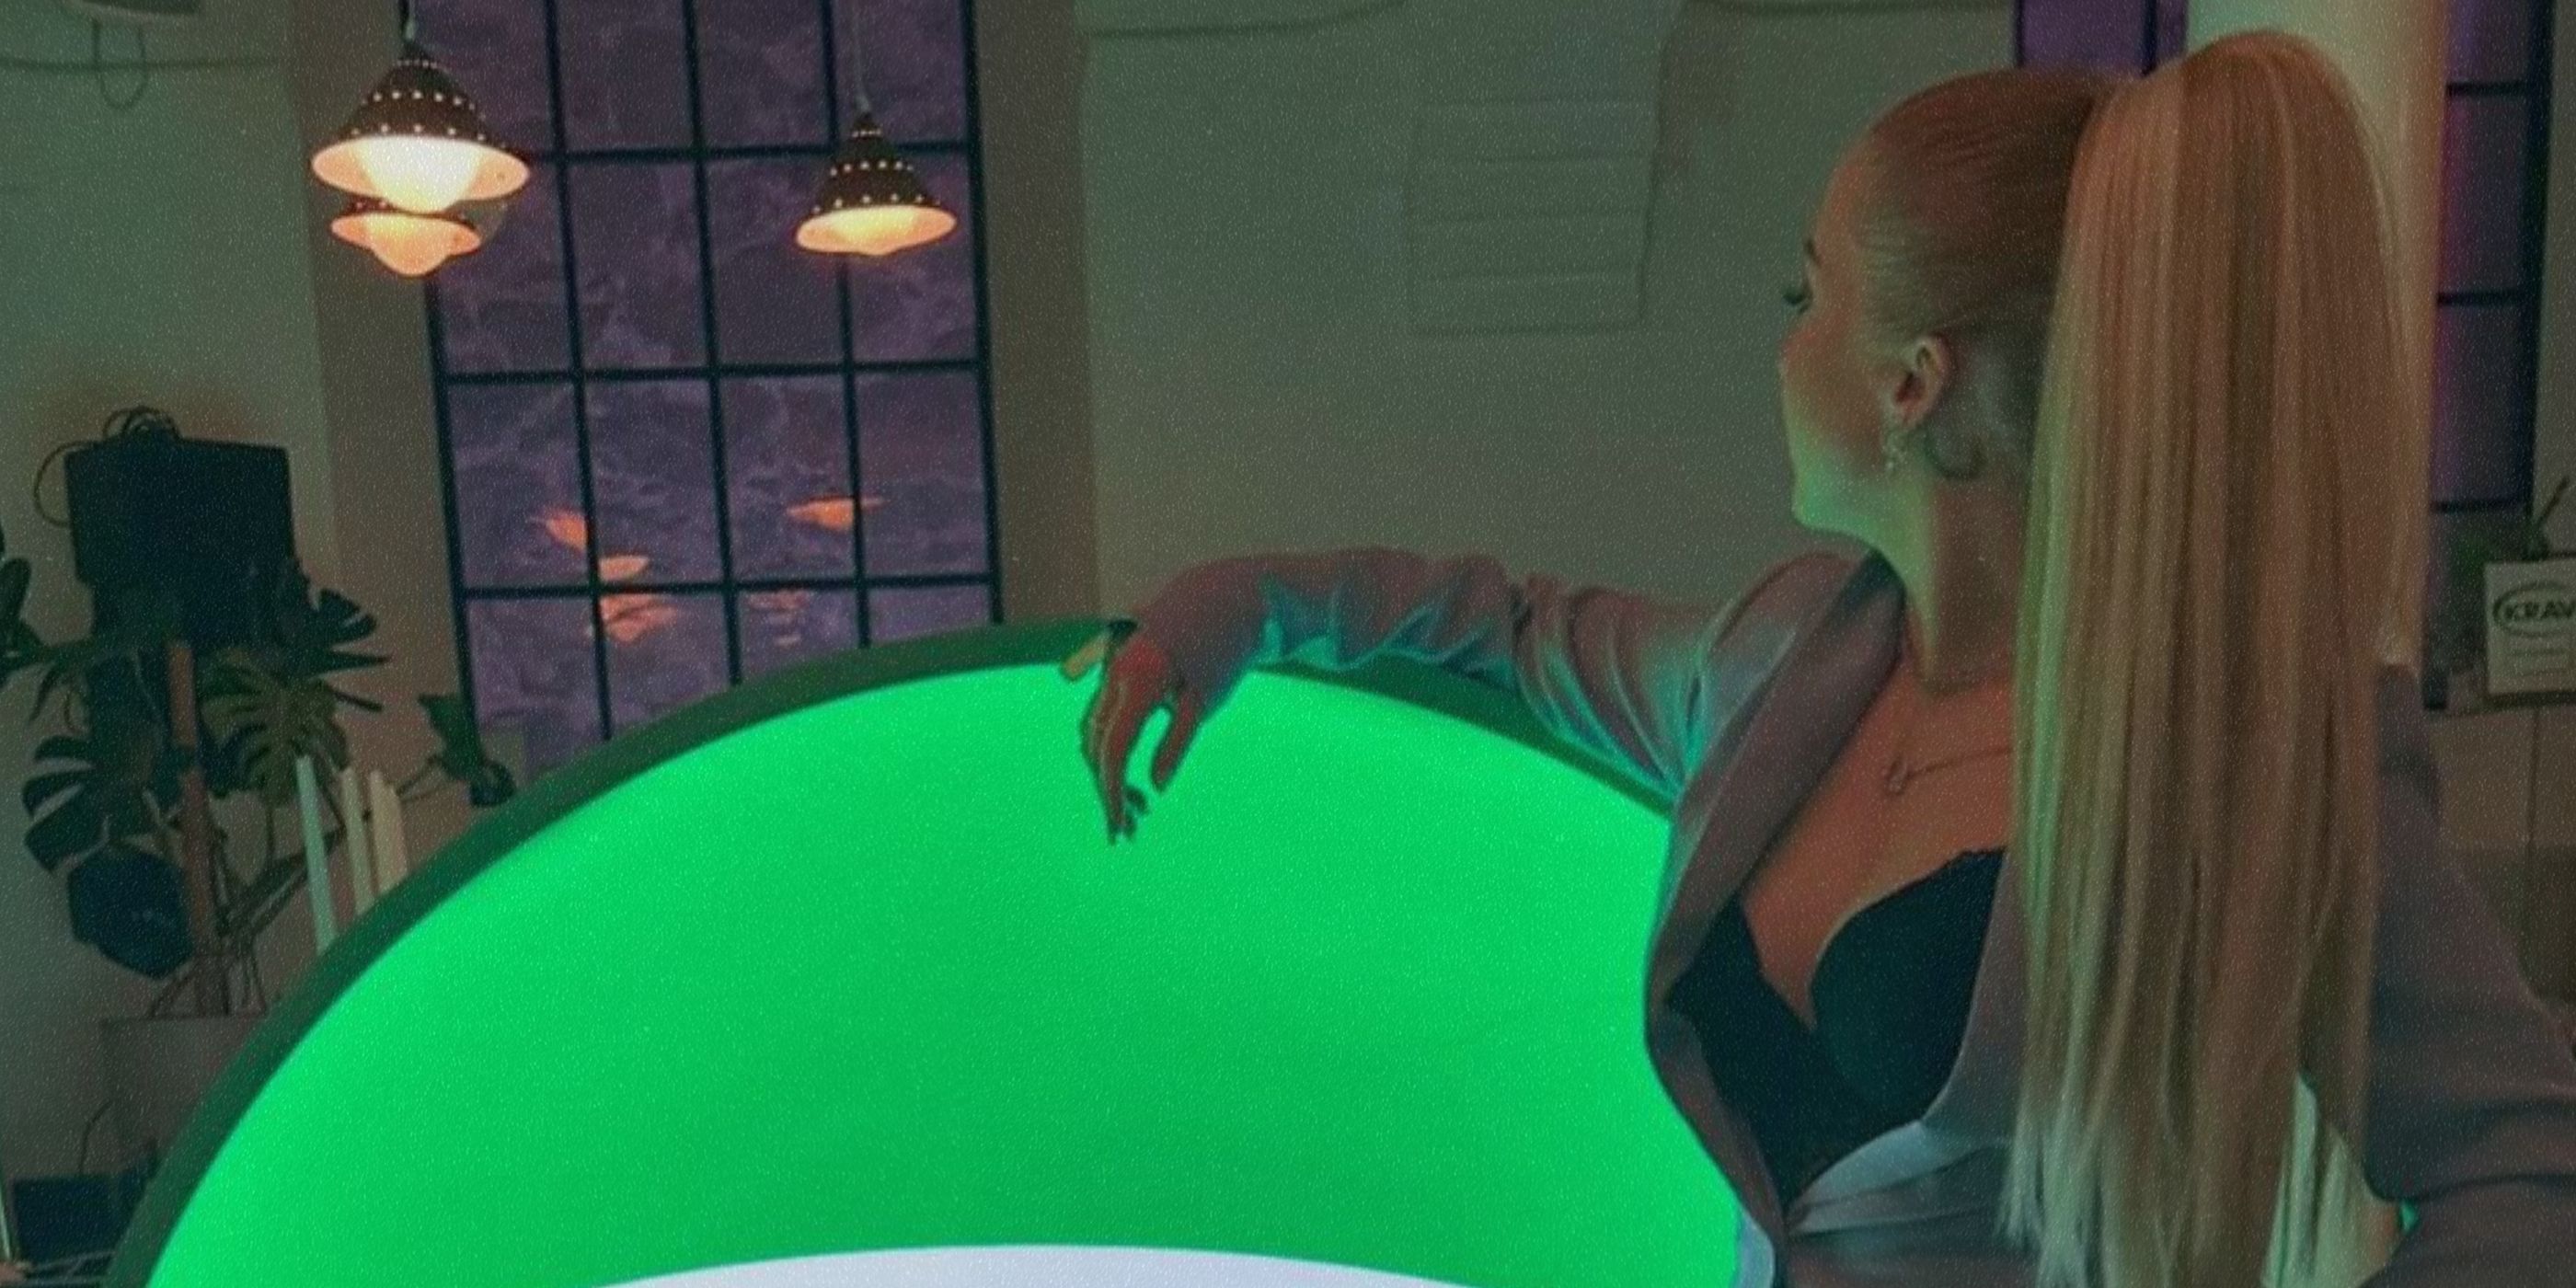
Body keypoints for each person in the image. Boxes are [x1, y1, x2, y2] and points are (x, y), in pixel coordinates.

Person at [1064, 30, 2576, 1288]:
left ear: (1914, 383)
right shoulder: (1784, 660)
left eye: (1809, 296)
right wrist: (1233, 609)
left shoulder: (2253, 746)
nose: (1782, 349)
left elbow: (2526, 1170)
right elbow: (1508, 631)